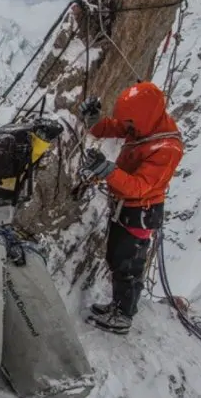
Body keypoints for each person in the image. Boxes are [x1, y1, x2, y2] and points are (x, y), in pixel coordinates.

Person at [76, 81, 184, 334]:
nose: (128, 128)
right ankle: (118, 306)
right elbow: (115, 127)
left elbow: (138, 187)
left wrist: (108, 171)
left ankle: (124, 315)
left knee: (129, 264)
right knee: (117, 257)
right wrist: (94, 122)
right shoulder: (145, 128)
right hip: (127, 208)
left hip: (140, 213)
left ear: (144, 116)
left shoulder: (166, 148)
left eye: (132, 124)